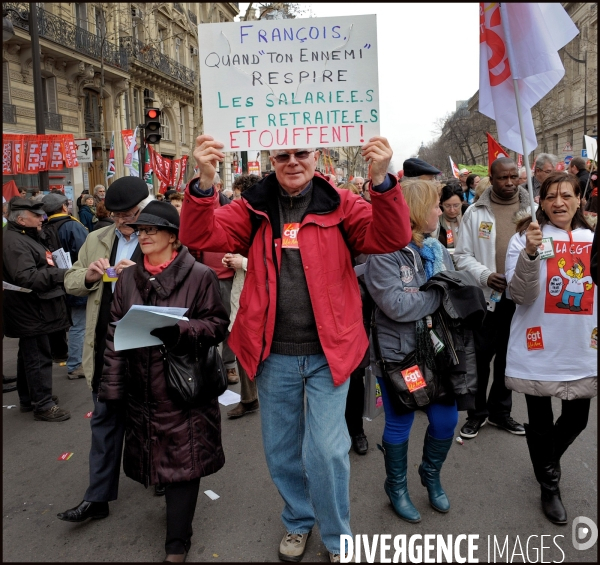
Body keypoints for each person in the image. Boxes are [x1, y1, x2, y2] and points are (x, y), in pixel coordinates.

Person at [179, 134, 411, 562]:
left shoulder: (341, 203)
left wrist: (383, 181)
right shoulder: (251, 207)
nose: (292, 162)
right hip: (272, 353)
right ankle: (298, 520)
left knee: (327, 450)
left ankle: (338, 537)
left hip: (329, 353)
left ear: (315, 156)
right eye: (282, 155)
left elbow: (391, 237)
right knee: (282, 451)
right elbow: (200, 235)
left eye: (300, 153)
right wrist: (204, 183)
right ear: (270, 158)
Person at [98, 201, 229, 561]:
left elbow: (217, 325)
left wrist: (178, 331)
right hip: (141, 388)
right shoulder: (127, 278)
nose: (143, 236)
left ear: (174, 236)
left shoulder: (200, 275)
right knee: (158, 460)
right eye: (140, 231)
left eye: (152, 230)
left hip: (183, 387)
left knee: (183, 464)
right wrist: (111, 388)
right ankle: (175, 525)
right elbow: (114, 337)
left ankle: (177, 543)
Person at [365, 179, 477, 523]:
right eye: (433, 205)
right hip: (402, 356)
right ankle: (396, 486)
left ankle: (431, 474)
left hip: (441, 352)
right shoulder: (383, 252)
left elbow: (451, 284)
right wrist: (440, 296)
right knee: (400, 421)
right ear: (414, 211)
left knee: (445, 420)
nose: (439, 211)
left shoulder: (436, 247)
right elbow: (397, 305)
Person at [505, 172, 596, 524]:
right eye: (551, 196)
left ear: (579, 199)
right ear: (541, 202)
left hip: (583, 345)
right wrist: (529, 254)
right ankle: (549, 484)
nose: (559, 202)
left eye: (567, 195)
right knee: (540, 422)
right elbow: (519, 295)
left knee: (577, 420)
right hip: (537, 345)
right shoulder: (526, 238)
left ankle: (546, 460)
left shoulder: (593, 238)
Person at [57, 177, 150, 524]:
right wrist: (92, 277)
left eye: (130, 214)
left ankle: (159, 476)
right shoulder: (96, 238)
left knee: (150, 420)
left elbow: (181, 282)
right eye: (117, 215)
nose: (124, 221)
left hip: (146, 342)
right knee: (105, 422)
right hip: (106, 342)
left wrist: (140, 276)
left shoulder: (162, 234)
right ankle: (97, 498)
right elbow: (71, 279)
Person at [454, 157, 530, 439]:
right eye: (503, 178)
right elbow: (462, 256)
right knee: (481, 358)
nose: (509, 183)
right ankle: (477, 414)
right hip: (487, 300)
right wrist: (486, 275)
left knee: (509, 359)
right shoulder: (475, 212)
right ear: (491, 178)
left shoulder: (533, 211)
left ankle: (501, 413)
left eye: (514, 177)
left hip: (521, 301)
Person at [3, 198, 71, 421]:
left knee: (29, 354)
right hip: (29, 307)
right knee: (37, 356)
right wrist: (59, 273)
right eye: (37, 216)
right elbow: (26, 277)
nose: (42, 218)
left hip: (32, 306)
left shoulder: (22, 236)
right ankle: (43, 404)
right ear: (21, 219)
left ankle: (29, 398)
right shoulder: (14, 241)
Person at [223, 173, 262, 419]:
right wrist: (233, 260)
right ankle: (249, 398)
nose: (234, 202)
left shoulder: (266, 219)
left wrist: (244, 261)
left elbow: (281, 261)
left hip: (262, 298)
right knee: (241, 344)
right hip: (242, 291)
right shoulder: (241, 221)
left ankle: (262, 398)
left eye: (238, 197)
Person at [41, 193, 89, 380]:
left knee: (70, 324)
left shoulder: (44, 227)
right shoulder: (71, 225)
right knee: (80, 324)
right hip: (77, 279)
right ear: (63, 207)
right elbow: (85, 252)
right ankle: (75, 364)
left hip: (56, 281)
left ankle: (66, 357)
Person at [437, 184, 463, 252]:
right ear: (441, 204)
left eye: (456, 205)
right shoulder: (436, 221)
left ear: (462, 203)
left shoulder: (468, 218)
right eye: (447, 206)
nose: (452, 210)